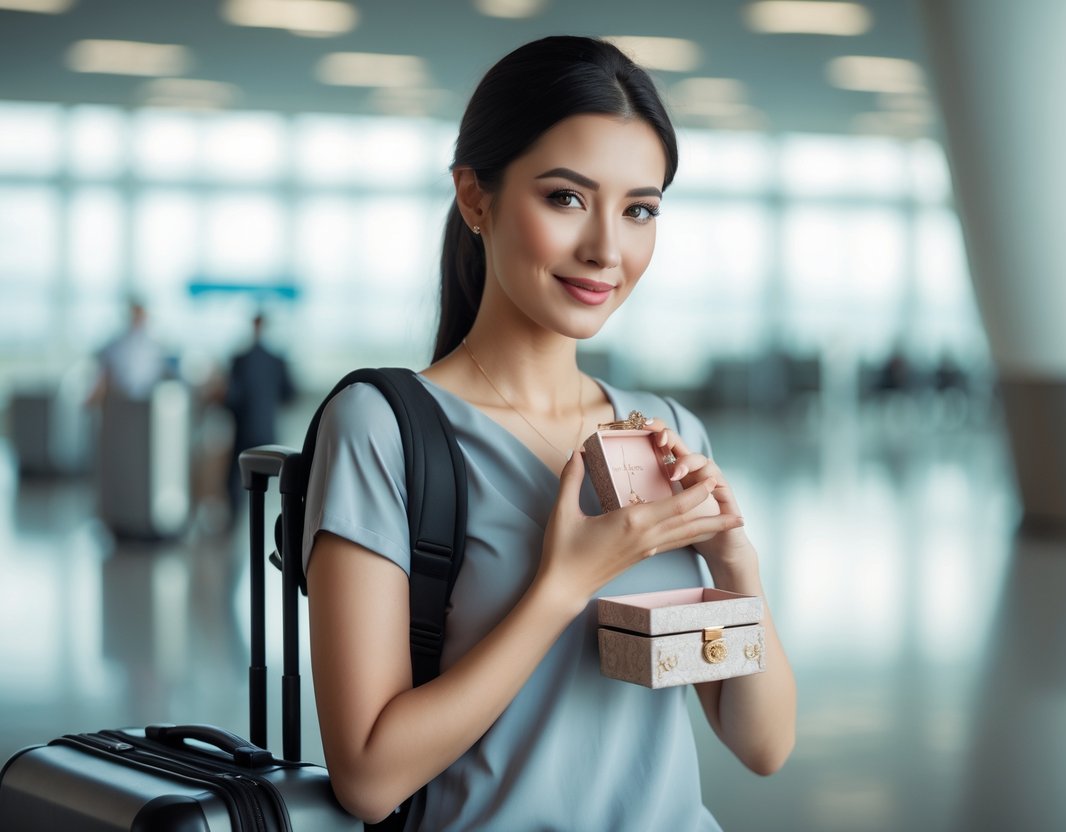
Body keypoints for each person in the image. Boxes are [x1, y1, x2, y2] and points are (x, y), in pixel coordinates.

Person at [302, 36, 797, 830]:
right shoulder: (384, 429)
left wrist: (735, 563)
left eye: (639, 209)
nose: (607, 249)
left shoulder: (663, 430)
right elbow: (368, 777)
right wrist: (564, 584)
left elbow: (762, 743)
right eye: (566, 198)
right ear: (475, 197)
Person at [223, 312, 296, 518]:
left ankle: (236, 520)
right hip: (267, 430)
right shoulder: (276, 360)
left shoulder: (240, 359)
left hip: (244, 430)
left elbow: (232, 398)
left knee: (236, 479)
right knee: (274, 481)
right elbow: (290, 394)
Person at [87, 298, 168, 405]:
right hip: (120, 397)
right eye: (135, 315)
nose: (137, 319)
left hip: (146, 398)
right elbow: (104, 364)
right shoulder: (117, 342)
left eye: (140, 315)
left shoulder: (155, 344)